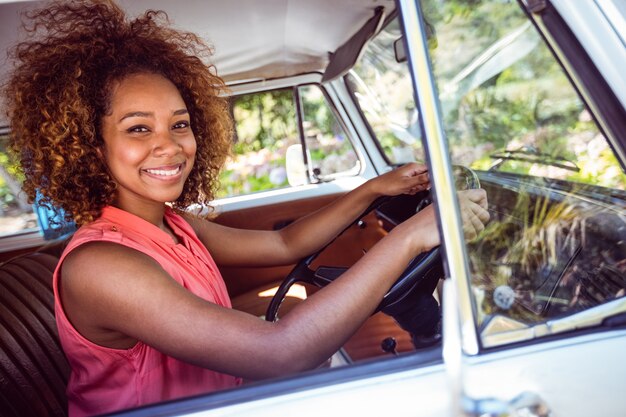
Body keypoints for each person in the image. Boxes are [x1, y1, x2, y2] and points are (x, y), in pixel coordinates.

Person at [3, 1, 490, 415]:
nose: (170, 147)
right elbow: (280, 353)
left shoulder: (173, 225)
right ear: (90, 147)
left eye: (179, 124)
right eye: (137, 129)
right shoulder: (102, 265)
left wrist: (370, 190)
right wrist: (411, 236)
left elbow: (284, 242)